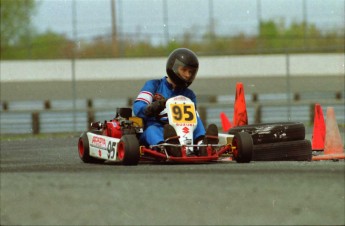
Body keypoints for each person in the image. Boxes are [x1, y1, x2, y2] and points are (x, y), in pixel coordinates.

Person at [133, 48, 218, 156]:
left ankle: (202, 145)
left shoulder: (189, 94)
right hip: (159, 127)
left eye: (191, 72)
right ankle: (168, 146)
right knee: (152, 130)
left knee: (196, 118)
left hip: (183, 131)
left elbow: (192, 122)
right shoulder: (154, 85)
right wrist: (152, 107)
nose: (188, 75)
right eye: (184, 70)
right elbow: (138, 107)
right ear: (174, 67)